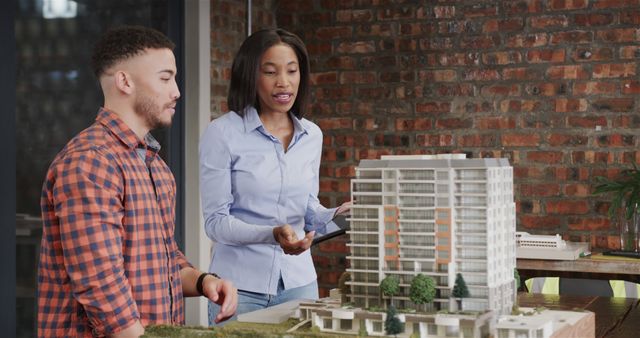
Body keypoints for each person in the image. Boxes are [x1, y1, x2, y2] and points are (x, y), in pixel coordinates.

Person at [37, 25, 237, 337]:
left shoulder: (154, 166)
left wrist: (203, 281)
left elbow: (163, 258)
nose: (177, 91)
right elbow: (101, 283)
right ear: (125, 81)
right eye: (165, 77)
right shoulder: (91, 161)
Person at [199, 28, 350, 325]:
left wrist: (338, 214)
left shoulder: (312, 135)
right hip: (239, 289)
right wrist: (271, 234)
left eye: (292, 71)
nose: (284, 82)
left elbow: (307, 209)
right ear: (250, 76)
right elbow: (216, 223)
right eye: (270, 72)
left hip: (300, 285)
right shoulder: (222, 134)